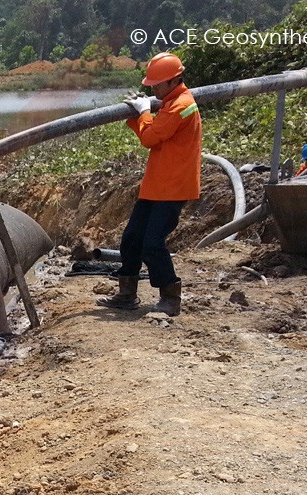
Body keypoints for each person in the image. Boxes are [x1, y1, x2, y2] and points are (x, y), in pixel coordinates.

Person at [97, 52, 202, 317]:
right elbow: (152, 134)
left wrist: (144, 112)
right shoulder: (171, 102)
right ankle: (127, 293)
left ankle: (170, 298)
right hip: (158, 184)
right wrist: (137, 116)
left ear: (173, 80)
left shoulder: (181, 105)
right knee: (132, 238)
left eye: (156, 84)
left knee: (153, 243)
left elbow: (150, 138)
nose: (153, 89)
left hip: (173, 186)